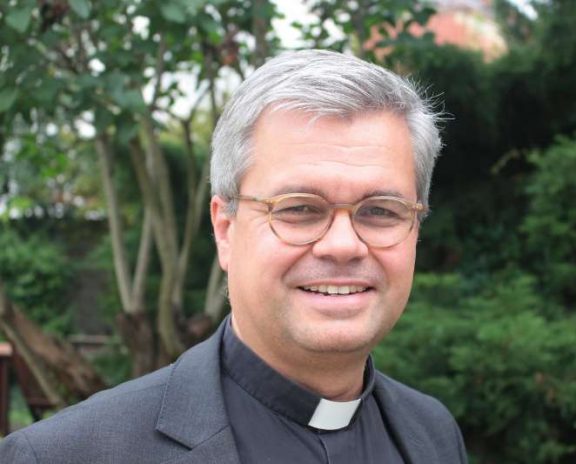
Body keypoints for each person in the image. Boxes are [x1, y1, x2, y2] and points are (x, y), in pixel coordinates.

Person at [0, 49, 467, 463]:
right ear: (225, 230)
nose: (343, 245)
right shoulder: (68, 454)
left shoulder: (433, 434)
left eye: (381, 211)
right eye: (300, 209)